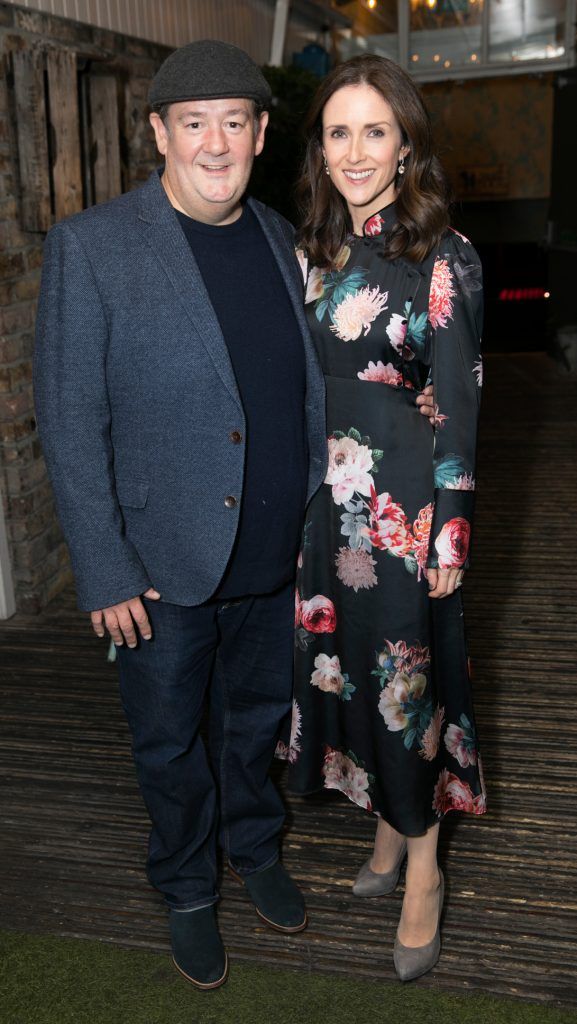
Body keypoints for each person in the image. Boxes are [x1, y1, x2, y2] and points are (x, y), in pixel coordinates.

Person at [33, 40, 436, 990]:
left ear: (258, 135)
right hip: (157, 565)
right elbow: (66, 417)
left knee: (255, 722)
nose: (213, 142)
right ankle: (183, 884)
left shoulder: (275, 235)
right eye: (192, 122)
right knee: (170, 740)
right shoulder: (91, 247)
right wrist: (103, 566)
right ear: (158, 132)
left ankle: (253, 849)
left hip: (273, 550)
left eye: (233, 122)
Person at [285, 54, 486, 982]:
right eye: (338, 131)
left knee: (406, 692)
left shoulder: (441, 257)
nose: (355, 150)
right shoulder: (314, 248)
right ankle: (381, 834)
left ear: (405, 144)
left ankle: (423, 871)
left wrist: (448, 536)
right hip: (331, 507)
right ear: (319, 148)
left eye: (375, 130)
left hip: (405, 515)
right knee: (348, 679)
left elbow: (460, 402)